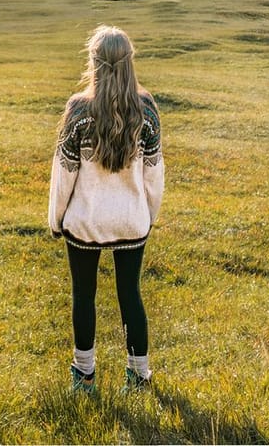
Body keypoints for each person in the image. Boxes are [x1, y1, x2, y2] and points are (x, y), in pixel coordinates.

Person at [47, 25, 163, 394]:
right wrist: (148, 217)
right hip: (131, 220)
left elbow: (63, 173)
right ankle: (139, 376)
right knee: (130, 293)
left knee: (84, 295)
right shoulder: (146, 109)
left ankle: (84, 377)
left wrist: (56, 220)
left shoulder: (79, 109)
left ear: (94, 63)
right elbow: (153, 173)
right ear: (130, 62)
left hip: (86, 221)